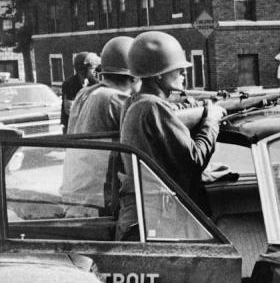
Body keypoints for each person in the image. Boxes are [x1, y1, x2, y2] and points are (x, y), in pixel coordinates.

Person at [116, 30, 226, 240]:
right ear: (159, 74)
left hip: (142, 214)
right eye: (177, 70)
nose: (183, 75)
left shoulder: (135, 102)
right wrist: (211, 119)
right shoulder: (152, 107)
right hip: (159, 219)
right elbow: (194, 160)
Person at [61, 36, 138, 217]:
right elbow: (147, 126)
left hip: (76, 197)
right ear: (135, 76)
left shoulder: (86, 93)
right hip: (97, 203)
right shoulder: (113, 99)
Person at [60, 51, 101, 132]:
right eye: (92, 68)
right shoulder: (69, 83)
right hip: (72, 127)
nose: (95, 71)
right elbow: (69, 109)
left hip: (88, 126)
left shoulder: (95, 83)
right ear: (82, 69)